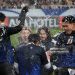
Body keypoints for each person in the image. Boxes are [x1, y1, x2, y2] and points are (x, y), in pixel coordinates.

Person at [0, 6, 28, 75]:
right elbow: (19, 27)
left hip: (5, 63)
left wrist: (23, 13)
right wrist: (23, 12)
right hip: (5, 63)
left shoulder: (5, 29)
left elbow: (19, 27)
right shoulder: (5, 29)